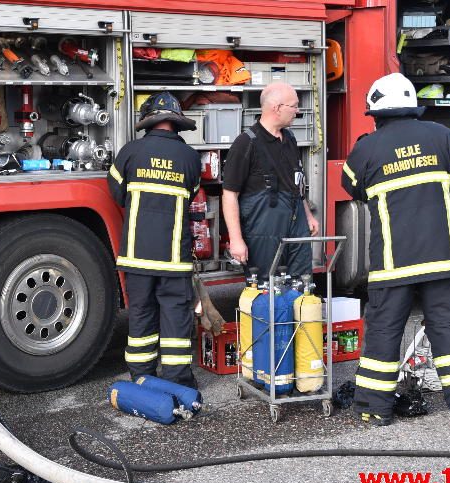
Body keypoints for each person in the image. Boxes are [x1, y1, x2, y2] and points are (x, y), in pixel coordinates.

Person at [342, 73, 450, 426]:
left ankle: (374, 409)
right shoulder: (444, 138)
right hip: (443, 262)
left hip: (392, 266)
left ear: (376, 112)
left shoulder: (366, 149)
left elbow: (351, 187)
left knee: (383, 336)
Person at [107, 91, 201, 388]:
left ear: (149, 121)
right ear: (175, 123)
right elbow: (192, 195)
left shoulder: (130, 152)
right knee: (175, 315)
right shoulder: (190, 157)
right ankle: (177, 379)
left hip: (137, 256)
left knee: (141, 314)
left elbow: (117, 193)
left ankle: (142, 377)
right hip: (174, 259)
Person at [222, 81, 319, 279]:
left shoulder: (289, 139)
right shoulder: (246, 143)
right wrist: (236, 239)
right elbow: (229, 195)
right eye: (294, 106)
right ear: (276, 108)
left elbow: (296, 182)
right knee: (266, 288)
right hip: (263, 231)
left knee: (301, 283)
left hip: (296, 223)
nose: (297, 111)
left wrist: (307, 215)